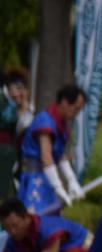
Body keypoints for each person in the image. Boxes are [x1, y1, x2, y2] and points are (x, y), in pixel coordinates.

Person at [18, 84, 87, 215]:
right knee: (36, 218)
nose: (77, 113)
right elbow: (46, 157)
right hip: (35, 180)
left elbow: (60, 156)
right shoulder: (45, 121)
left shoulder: (61, 124)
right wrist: (58, 187)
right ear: (64, 102)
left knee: (52, 219)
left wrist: (72, 180)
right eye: (76, 108)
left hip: (47, 178)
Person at [1, 71, 32, 200]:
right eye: (18, 88)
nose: (21, 93)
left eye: (23, 89)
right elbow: (11, 121)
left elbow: (26, 125)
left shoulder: (18, 106)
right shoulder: (5, 104)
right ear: (9, 88)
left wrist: (24, 107)